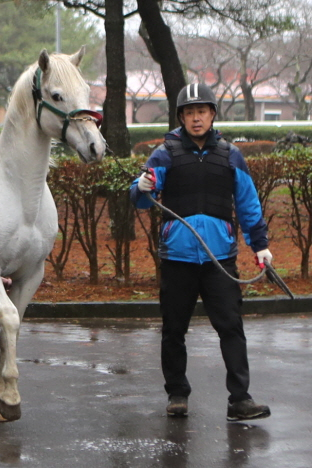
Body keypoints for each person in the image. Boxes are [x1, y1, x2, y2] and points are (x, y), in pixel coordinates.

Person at [130, 83, 272, 421]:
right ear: (181, 116)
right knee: (173, 329)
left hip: (218, 260)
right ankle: (177, 394)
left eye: (202, 112)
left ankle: (240, 399)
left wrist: (261, 246)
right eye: (190, 112)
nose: (196, 118)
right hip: (177, 259)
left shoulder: (230, 155)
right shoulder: (164, 154)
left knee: (231, 327)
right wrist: (142, 187)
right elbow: (139, 198)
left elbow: (248, 205)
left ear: (212, 115)